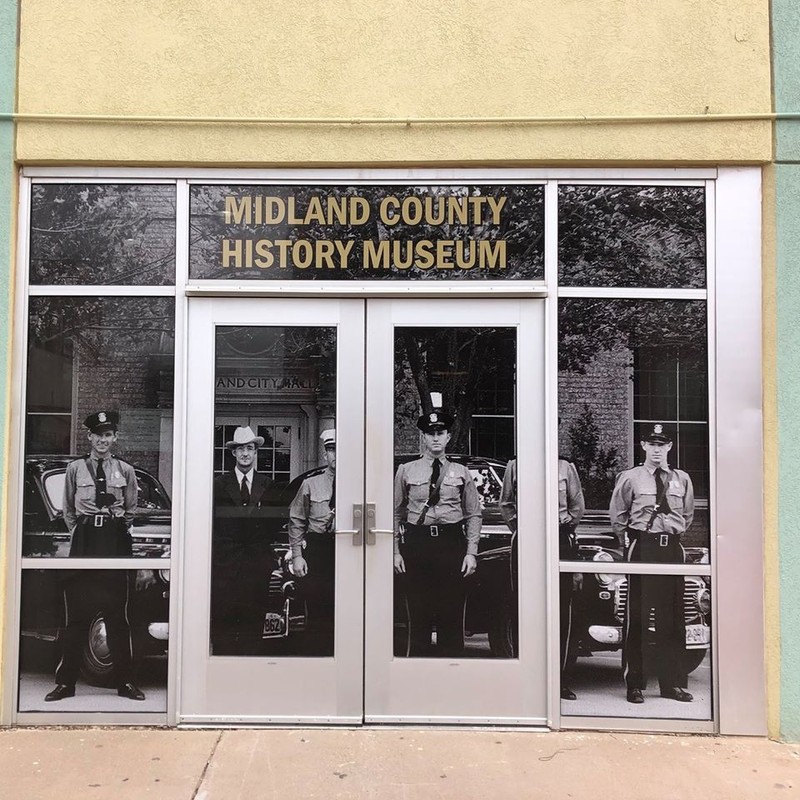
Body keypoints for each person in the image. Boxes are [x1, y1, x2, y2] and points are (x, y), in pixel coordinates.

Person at [45, 410, 144, 702]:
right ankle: (66, 683)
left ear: (115, 437)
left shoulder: (125, 471)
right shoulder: (76, 469)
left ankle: (124, 682)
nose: (103, 440)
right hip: (85, 540)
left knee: (117, 616)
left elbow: (130, 509)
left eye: (108, 435)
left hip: (113, 541)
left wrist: (113, 529)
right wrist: (85, 531)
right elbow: (68, 511)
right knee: (77, 615)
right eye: (98, 435)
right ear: (89, 437)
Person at [609, 423, 695, 704]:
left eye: (662, 444)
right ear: (643, 446)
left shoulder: (682, 479)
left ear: (670, 447)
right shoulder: (631, 477)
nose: (657, 449)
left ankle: (672, 684)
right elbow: (619, 516)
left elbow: (688, 515)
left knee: (673, 619)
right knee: (639, 617)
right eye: (652, 443)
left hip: (671, 550)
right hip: (643, 548)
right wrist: (628, 543)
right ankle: (635, 683)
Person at [393, 409, 481, 657]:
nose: (435, 438)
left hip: (451, 544)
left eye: (440, 433)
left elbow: (473, 514)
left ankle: (449, 673)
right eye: (430, 433)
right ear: (423, 437)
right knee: (418, 611)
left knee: (450, 612)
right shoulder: (406, 470)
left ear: (448, 437)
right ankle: (418, 673)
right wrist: (395, 552)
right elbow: (395, 512)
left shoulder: (461, 472)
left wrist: (471, 553)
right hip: (417, 544)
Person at [499, 456, 585, 698]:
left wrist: (566, 527)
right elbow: (506, 503)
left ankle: (561, 679)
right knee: (523, 607)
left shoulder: (566, 466)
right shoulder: (515, 465)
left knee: (562, 609)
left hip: (559, 536)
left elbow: (577, 505)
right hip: (526, 535)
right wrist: (519, 527)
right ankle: (523, 676)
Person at [211, 425, 275, 655]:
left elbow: (272, 526)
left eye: (250, 448)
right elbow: (212, 525)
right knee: (223, 624)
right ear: (233, 453)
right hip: (225, 566)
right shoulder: (218, 485)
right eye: (241, 449)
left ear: (256, 452)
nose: (246, 453)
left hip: (256, 566)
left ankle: (249, 676)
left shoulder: (268, 485)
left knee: (253, 625)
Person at [288, 429, 337, 655]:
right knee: (317, 604)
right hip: (319, 548)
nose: (335, 454)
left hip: (350, 548)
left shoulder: (360, 483)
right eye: (331, 449)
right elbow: (297, 520)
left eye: (339, 449)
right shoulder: (311, 484)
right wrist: (297, 555)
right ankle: (319, 657)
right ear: (325, 453)